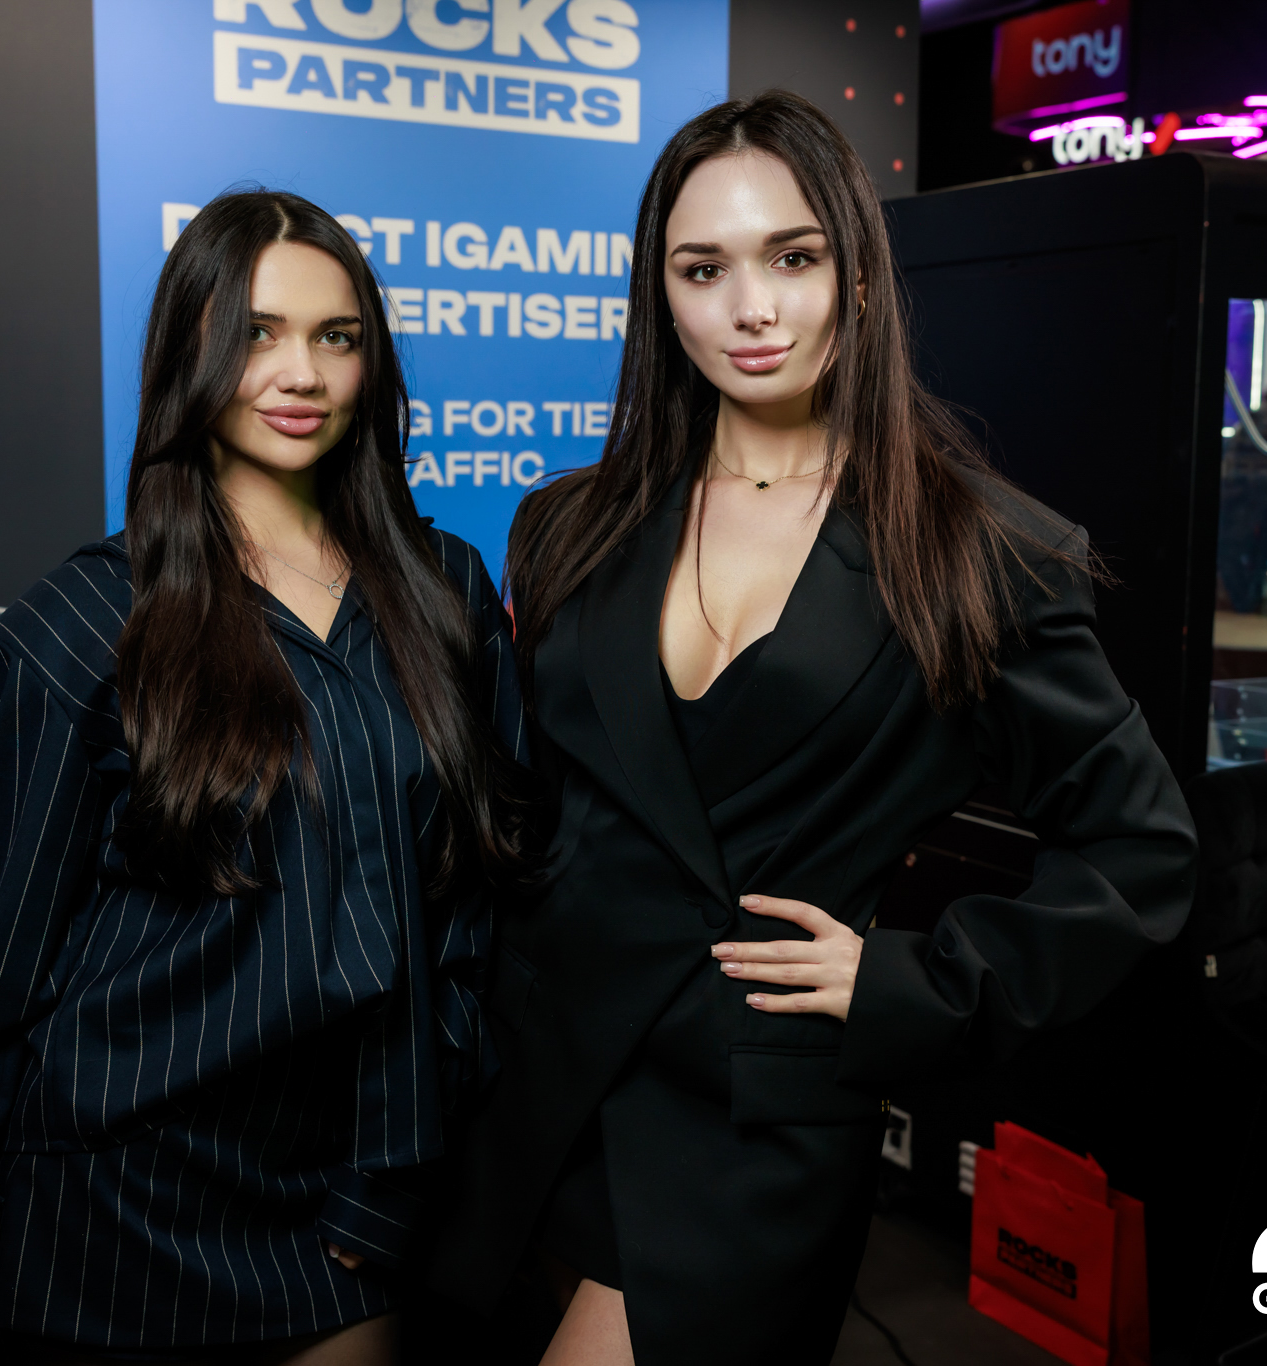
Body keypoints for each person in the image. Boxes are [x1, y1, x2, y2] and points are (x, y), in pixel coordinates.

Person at [427, 92, 1196, 1364]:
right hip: (532, 1078)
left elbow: (1142, 852)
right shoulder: (566, 524)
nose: (752, 307)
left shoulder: (977, 550)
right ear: (659, 297)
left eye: (791, 257)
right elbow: (534, 811)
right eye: (703, 269)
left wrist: (914, 983)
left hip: (751, 1112)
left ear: (857, 275)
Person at [0, 190, 530, 1366]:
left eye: (335, 336)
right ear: (187, 353)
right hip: (118, 1195)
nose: (301, 372)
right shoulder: (83, 623)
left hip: (346, 1193)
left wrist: (405, 1142)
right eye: (255, 332)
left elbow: (471, 907)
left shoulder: (444, 589)